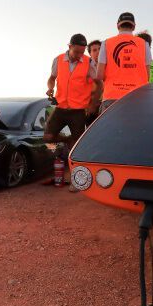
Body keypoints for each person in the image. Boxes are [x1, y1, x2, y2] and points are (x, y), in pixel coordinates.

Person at [46, 34, 101, 190]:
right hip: (60, 107)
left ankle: (77, 181)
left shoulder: (88, 62)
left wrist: (93, 104)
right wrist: (50, 88)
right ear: (69, 47)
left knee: (78, 150)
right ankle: (69, 140)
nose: (79, 55)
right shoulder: (58, 60)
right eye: (76, 52)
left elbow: (99, 84)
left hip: (78, 111)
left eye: (82, 52)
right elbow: (52, 78)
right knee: (48, 137)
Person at [95, 12, 151, 113]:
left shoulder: (106, 43)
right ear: (134, 26)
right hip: (138, 97)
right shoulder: (144, 44)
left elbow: (99, 75)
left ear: (117, 26)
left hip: (111, 97)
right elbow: (147, 75)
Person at [85, 39, 103, 126]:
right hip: (91, 105)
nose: (98, 52)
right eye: (94, 50)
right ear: (90, 54)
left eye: (100, 49)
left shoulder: (110, 65)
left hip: (107, 103)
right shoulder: (86, 67)